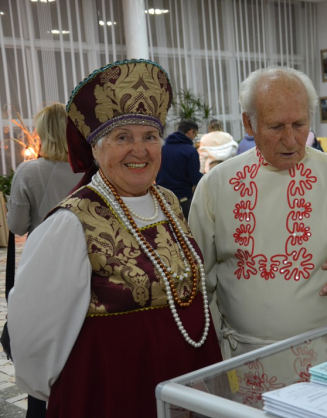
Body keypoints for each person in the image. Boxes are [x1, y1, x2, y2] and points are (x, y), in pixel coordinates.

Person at [7, 59, 222, 418]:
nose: (140, 151)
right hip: (113, 390)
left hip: (187, 376)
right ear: (95, 148)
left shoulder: (167, 201)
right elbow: (34, 328)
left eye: (150, 137)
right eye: (123, 138)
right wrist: (72, 391)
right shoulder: (71, 221)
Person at [188, 67, 327, 404]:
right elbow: (196, 281)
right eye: (276, 126)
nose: (291, 140)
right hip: (242, 360)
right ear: (249, 124)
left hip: (323, 355)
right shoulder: (216, 184)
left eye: (300, 124)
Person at [6, 102, 83, 418]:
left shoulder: (30, 171)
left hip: (43, 270)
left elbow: (16, 226)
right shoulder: (88, 171)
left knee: (45, 344)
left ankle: (43, 404)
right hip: (85, 268)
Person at [7, 103, 83, 236]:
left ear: (43, 134)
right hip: (88, 251)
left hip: (44, 250)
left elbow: (17, 226)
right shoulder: (95, 169)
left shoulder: (29, 171)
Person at [156, 119, 202, 219]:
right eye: (195, 134)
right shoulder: (189, 151)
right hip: (182, 200)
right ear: (190, 132)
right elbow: (194, 177)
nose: (194, 138)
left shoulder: (162, 149)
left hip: (161, 198)